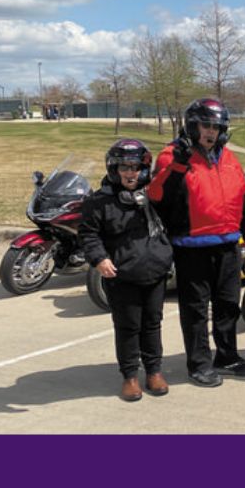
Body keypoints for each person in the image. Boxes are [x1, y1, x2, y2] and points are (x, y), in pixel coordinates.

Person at [148, 98, 245, 388]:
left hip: (228, 244)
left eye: (217, 126)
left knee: (228, 305)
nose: (211, 131)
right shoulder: (172, 155)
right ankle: (199, 363)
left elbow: (243, 197)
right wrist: (180, 166)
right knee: (196, 310)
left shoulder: (230, 158)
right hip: (191, 246)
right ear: (192, 125)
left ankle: (227, 355)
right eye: (205, 125)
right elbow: (158, 196)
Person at [80, 139, 174, 401]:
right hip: (121, 275)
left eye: (135, 167)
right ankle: (130, 376)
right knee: (128, 326)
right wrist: (99, 258)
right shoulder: (99, 202)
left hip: (154, 271)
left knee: (152, 323)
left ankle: (154, 371)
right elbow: (88, 234)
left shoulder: (154, 196)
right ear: (113, 168)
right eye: (124, 167)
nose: (130, 173)